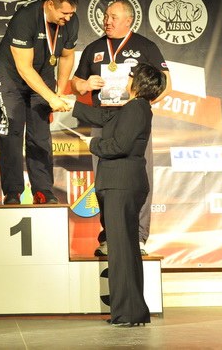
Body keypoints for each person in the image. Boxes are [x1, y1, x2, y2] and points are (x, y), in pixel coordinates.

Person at [69, 63, 167, 327]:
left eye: (131, 76)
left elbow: (119, 146)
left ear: (139, 82)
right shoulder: (135, 108)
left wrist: (93, 144)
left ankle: (126, 313)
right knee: (126, 250)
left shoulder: (136, 108)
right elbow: (106, 118)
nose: (127, 79)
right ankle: (132, 311)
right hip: (123, 184)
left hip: (121, 184)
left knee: (121, 252)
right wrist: (72, 105)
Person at [71, 0, 170, 256]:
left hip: (132, 119)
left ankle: (138, 236)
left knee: (139, 176)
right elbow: (75, 84)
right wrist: (85, 85)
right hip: (102, 119)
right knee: (104, 181)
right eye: (106, 16)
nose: (107, 21)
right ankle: (110, 236)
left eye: (113, 17)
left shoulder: (146, 46)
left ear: (128, 20)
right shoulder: (94, 48)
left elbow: (166, 84)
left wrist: (141, 106)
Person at [0, 0, 80, 204]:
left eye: (71, 13)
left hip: (43, 75)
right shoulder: (25, 18)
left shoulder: (71, 22)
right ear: (50, 4)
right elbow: (24, 68)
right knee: (11, 133)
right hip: (12, 78)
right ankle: (12, 192)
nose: (68, 18)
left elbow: (67, 56)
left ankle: (43, 190)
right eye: (64, 13)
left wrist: (59, 91)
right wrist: (50, 97)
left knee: (40, 134)